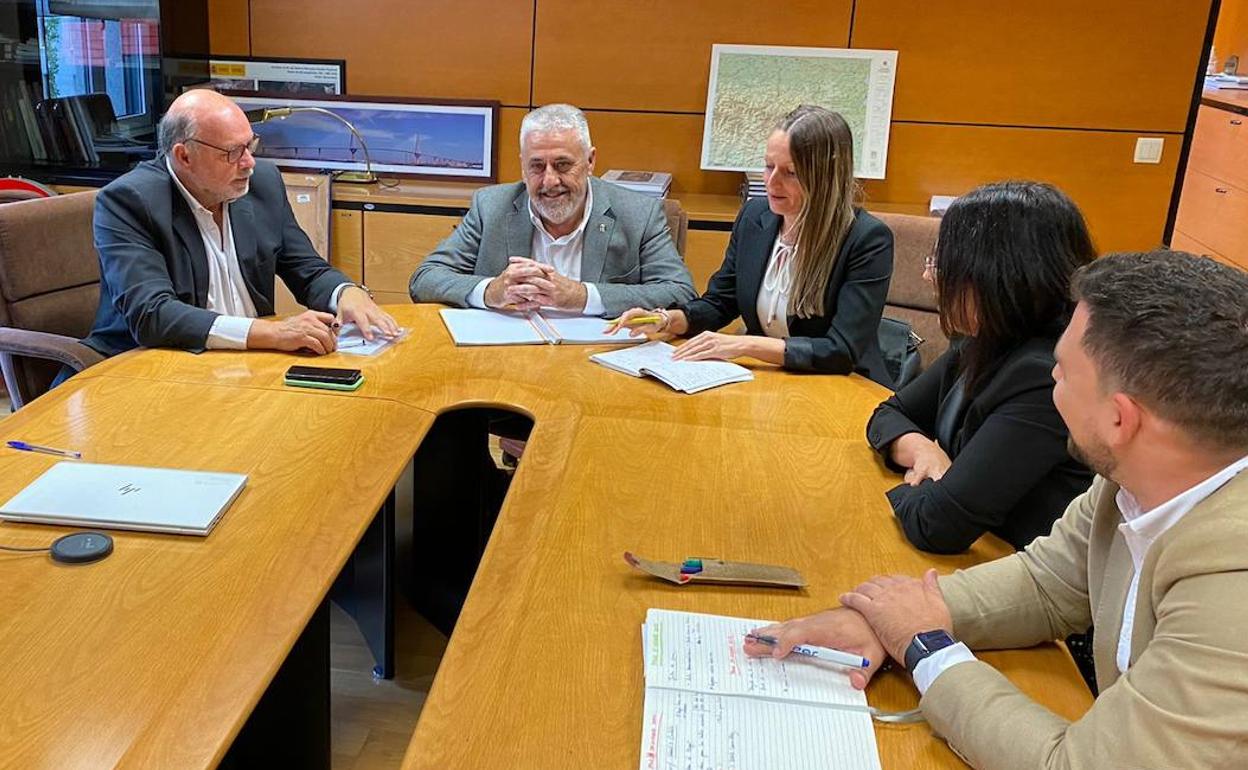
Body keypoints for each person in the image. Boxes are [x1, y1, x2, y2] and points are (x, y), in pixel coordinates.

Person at [746, 251, 1248, 769]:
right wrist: (887, 621)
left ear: (1121, 420)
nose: (1049, 377)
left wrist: (925, 647)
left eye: (1064, 371)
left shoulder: (1234, 582)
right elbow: (1048, 583)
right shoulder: (1138, 480)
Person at [81, 89, 397, 361]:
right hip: (151, 371)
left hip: (247, 367)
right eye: (233, 152)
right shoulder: (129, 202)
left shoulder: (262, 184)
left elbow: (307, 269)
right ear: (184, 156)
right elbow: (153, 315)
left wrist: (346, 293)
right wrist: (273, 333)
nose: (249, 163)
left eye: (250, 145)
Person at [865, 182, 1095, 555]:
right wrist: (924, 451)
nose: (930, 276)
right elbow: (890, 413)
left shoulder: (1046, 378)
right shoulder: (987, 339)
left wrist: (941, 482)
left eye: (943, 265)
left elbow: (937, 526)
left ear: (1000, 275)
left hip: (1014, 572)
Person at [609, 105, 893, 384]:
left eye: (790, 172)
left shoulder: (866, 239)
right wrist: (665, 319)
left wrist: (745, 345)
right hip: (765, 381)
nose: (772, 182)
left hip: (841, 388)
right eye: (769, 167)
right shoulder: (755, 216)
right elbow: (721, 302)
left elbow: (841, 351)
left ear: (826, 177)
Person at [408, 103, 696, 315]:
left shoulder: (639, 213)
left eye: (563, 165)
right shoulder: (491, 206)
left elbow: (681, 293)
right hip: (505, 357)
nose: (549, 181)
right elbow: (425, 278)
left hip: (598, 363)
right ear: (522, 164)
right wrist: (491, 291)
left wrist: (581, 296)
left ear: (590, 161)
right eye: (536, 166)